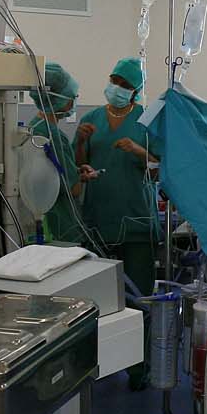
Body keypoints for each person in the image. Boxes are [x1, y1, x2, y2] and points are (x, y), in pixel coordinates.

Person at [76, 57, 158, 388]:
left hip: (136, 220)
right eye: (115, 81)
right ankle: (103, 363)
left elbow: (160, 163)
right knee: (100, 300)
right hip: (98, 220)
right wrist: (80, 142)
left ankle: (139, 368)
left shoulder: (146, 119)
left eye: (125, 85)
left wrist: (138, 150)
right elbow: (79, 166)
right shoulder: (91, 119)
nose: (117, 88)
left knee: (138, 298)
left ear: (135, 91)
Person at [26, 62, 89, 244]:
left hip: (42, 224)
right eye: (72, 96)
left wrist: (75, 173)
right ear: (60, 99)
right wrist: (81, 179)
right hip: (62, 226)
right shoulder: (54, 136)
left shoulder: (32, 128)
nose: (74, 100)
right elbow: (73, 189)